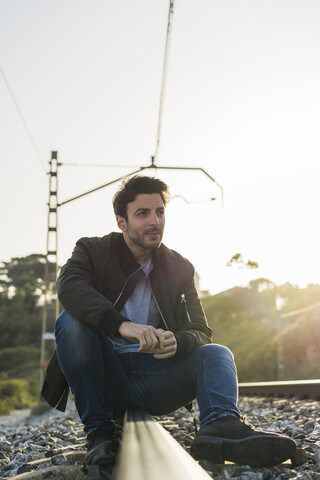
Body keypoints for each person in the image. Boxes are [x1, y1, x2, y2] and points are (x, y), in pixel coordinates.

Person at [41, 175, 296, 467]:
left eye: (160, 212)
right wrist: (121, 325)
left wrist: (181, 340)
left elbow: (201, 330)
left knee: (217, 354)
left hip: (158, 378)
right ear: (121, 222)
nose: (155, 221)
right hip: (106, 378)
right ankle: (98, 433)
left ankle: (221, 427)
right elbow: (69, 286)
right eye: (142, 214)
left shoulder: (179, 267)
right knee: (69, 322)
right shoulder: (92, 250)